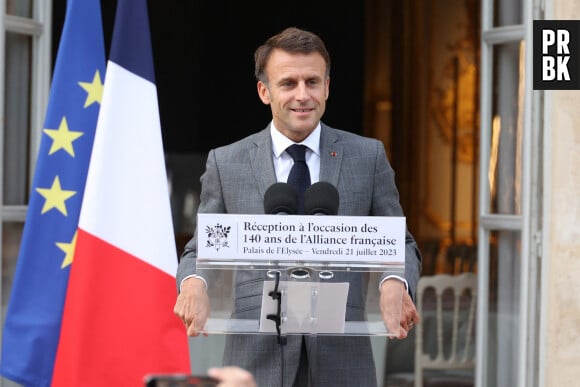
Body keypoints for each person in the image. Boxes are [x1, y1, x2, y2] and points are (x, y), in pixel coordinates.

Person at [174, 27, 422, 387]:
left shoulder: (367, 158)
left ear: (327, 88)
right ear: (265, 91)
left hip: (344, 364)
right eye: (288, 83)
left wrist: (393, 280)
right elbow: (205, 247)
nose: (302, 95)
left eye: (312, 81)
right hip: (255, 363)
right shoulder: (227, 163)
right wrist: (194, 284)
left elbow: (401, 243)